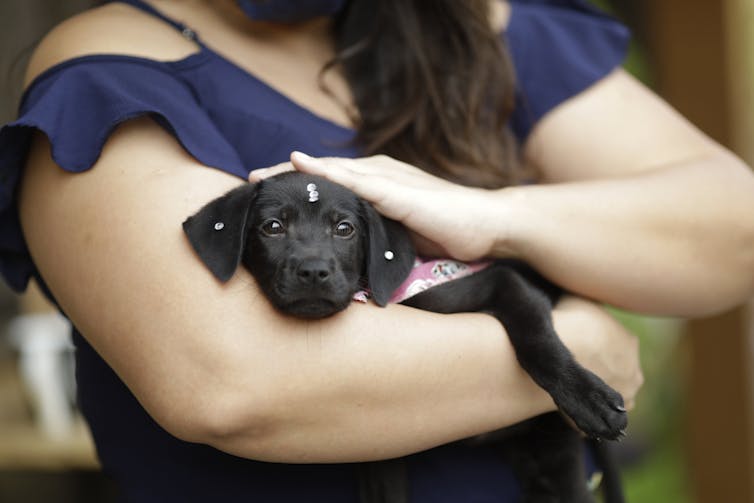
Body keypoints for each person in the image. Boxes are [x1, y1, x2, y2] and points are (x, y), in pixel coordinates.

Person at [0, 0, 751, 501]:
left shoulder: (468, 24)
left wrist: (493, 217)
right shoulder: (113, 65)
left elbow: (731, 231)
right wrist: (569, 348)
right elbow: (229, 382)